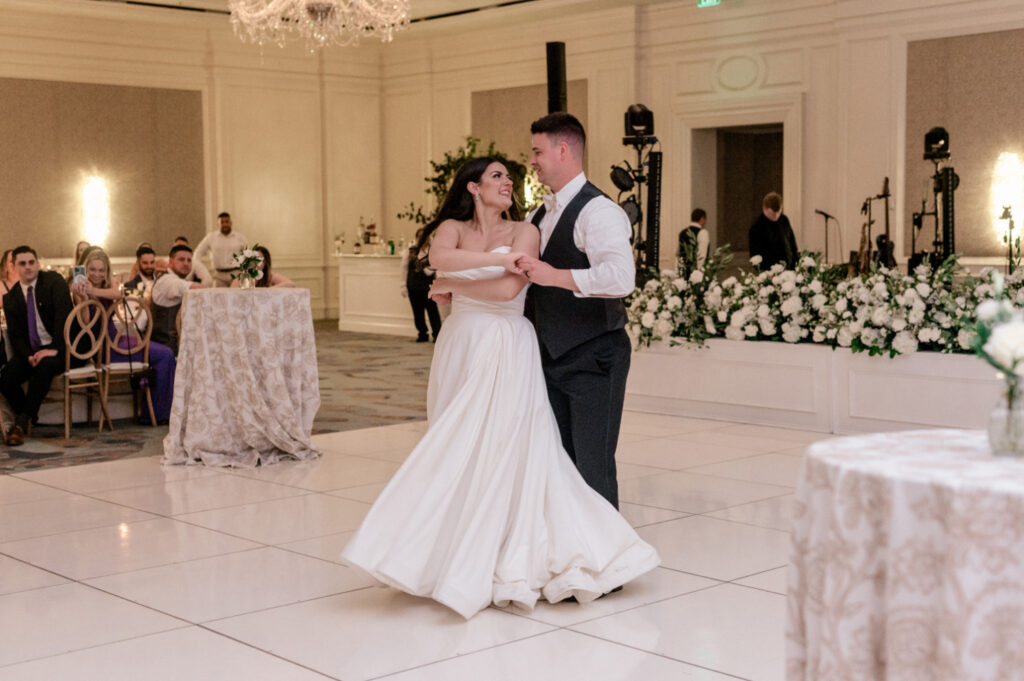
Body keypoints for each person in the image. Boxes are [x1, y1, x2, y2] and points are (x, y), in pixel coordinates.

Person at [341, 157, 659, 620]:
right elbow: (439, 258)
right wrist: (480, 266)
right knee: (455, 444)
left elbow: (511, 290)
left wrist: (457, 281)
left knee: (505, 447)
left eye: (511, 176)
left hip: (508, 345)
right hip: (460, 345)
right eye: (497, 175)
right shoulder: (451, 226)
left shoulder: (524, 230)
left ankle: (510, 552)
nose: (509, 180)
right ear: (473, 187)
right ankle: (445, 549)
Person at [515, 112, 635, 510]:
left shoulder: (598, 211)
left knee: (593, 466)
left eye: (537, 151)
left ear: (562, 150)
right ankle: (571, 558)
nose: (531, 160)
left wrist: (555, 276)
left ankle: (606, 570)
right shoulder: (537, 215)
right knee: (560, 465)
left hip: (594, 356)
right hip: (547, 359)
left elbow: (620, 277)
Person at [73, 249, 177, 424]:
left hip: (118, 340)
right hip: (104, 347)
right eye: (92, 270)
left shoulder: (109, 284)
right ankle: (157, 414)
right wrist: (84, 297)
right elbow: (86, 323)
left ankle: (160, 411)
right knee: (165, 355)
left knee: (164, 352)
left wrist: (95, 291)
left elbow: (118, 294)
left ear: (106, 271)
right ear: (85, 269)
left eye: (101, 270)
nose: (97, 274)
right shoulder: (78, 289)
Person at [1, 246, 76, 446]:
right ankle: (28, 416)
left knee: (45, 365)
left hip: (64, 349)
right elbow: (16, 336)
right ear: (14, 267)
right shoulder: (11, 298)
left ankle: (21, 423)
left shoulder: (53, 282)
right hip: (33, 351)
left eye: (31, 262)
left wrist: (55, 348)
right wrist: (27, 356)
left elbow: (65, 317)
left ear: (38, 263)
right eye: (22, 263)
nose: (28, 267)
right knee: (6, 377)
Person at [151, 244, 204, 353]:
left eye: (189, 260)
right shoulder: (166, 280)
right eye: (181, 259)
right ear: (170, 262)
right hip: (168, 347)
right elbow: (191, 287)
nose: (186, 263)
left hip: (178, 343)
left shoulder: (171, 278)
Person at [399, 228, 441, 342]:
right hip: (413, 285)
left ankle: (437, 334)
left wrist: (427, 269)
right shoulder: (410, 251)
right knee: (418, 312)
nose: (423, 238)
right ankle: (422, 333)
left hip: (429, 286)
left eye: (425, 235)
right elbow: (404, 268)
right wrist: (403, 285)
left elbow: (435, 268)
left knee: (432, 311)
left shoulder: (433, 251)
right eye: (420, 236)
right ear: (417, 237)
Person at [194, 212, 248, 287]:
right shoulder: (211, 237)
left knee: (236, 297)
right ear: (218, 224)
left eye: (227, 222)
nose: (225, 224)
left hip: (236, 274)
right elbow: (197, 253)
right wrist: (200, 270)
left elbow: (248, 255)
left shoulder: (240, 238)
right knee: (218, 297)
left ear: (231, 223)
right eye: (222, 222)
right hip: (218, 276)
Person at [749, 191, 798, 270]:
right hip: (769, 272)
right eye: (772, 214)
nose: (776, 216)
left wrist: (795, 264)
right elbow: (755, 256)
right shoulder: (756, 227)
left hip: (789, 269)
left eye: (778, 213)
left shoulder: (784, 220)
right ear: (764, 209)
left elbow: (792, 245)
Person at [678, 208, 710, 273]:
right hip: (696, 273)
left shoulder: (682, 233)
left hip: (683, 271)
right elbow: (701, 256)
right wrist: (700, 273)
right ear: (702, 219)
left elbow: (678, 254)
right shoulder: (703, 233)